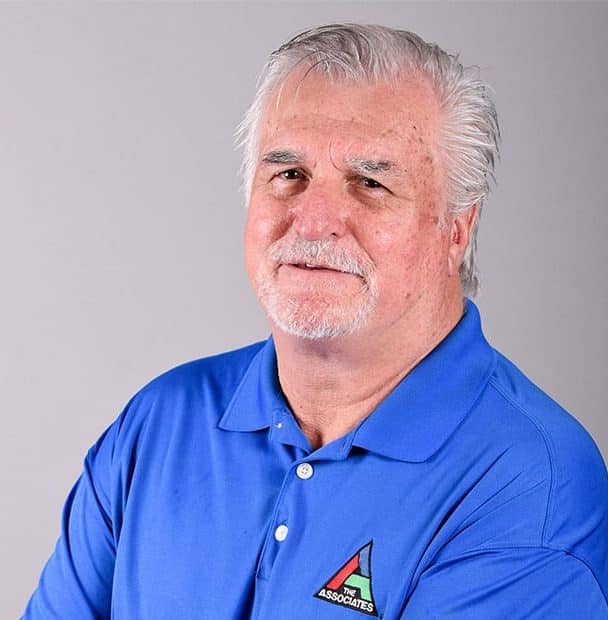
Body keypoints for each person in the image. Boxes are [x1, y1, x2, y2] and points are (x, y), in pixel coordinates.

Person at [23, 23, 608, 619]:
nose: (313, 220)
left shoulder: (527, 483)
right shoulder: (159, 424)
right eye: (289, 175)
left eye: (371, 183)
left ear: (456, 229)